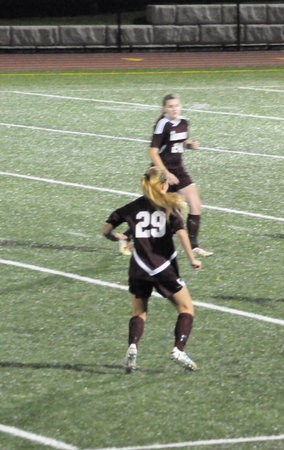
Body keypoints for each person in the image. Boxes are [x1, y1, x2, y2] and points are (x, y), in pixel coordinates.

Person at [102, 166, 202, 372]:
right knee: (186, 308)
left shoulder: (132, 207)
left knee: (139, 311)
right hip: (163, 268)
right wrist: (192, 258)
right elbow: (181, 233)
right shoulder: (169, 205)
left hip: (138, 268)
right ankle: (178, 349)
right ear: (164, 185)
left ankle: (133, 346)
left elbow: (106, 230)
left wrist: (117, 237)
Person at [118, 93, 212, 257]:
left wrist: (190, 144)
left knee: (195, 204)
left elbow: (180, 141)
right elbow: (152, 152)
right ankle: (126, 237)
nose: (174, 109)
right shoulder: (162, 124)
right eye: (170, 106)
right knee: (156, 211)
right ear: (164, 109)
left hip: (179, 170)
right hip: (161, 172)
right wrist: (166, 174)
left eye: (176, 106)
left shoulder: (184, 122)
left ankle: (194, 245)